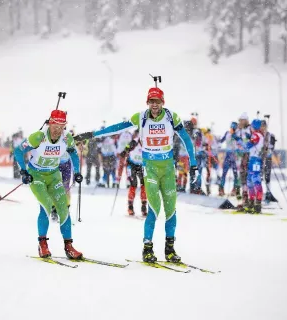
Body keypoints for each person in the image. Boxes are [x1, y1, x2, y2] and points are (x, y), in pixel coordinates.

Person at [74, 86, 197, 263]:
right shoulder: (141, 117)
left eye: (158, 101)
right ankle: (147, 248)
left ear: (163, 102)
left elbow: (186, 139)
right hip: (151, 168)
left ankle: (170, 249)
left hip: (168, 169)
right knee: (154, 208)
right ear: (147, 102)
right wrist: (92, 134)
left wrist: (193, 164)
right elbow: (117, 128)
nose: (154, 105)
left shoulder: (171, 117)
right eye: (151, 101)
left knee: (170, 210)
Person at [14, 109, 83, 259]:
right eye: (55, 126)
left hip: (53, 175)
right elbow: (18, 151)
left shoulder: (67, 138)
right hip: (36, 175)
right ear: (50, 123)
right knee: (45, 205)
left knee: (63, 208)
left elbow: (73, 153)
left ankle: (68, 246)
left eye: (61, 127)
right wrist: (23, 171)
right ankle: (42, 244)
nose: (58, 130)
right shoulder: (38, 137)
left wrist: (77, 171)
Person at [234, 120, 264, 213]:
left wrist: (238, 139)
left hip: (255, 160)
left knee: (255, 180)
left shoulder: (256, 135)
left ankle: (257, 204)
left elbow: (247, 146)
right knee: (249, 181)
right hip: (253, 159)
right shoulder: (257, 135)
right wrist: (249, 137)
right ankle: (251, 202)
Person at [119, 133, 147, 216]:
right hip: (132, 165)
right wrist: (124, 152)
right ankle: (130, 207)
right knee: (133, 184)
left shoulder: (148, 142)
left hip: (142, 166)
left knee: (144, 184)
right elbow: (127, 147)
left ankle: (144, 206)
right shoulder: (135, 141)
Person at [235, 113, 251, 210]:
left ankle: (250, 200)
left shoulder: (250, 129)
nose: (239, 122)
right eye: (239, 120)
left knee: (249, 177)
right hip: (242, 156)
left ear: (246, 120)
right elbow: (239, 143)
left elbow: (250, 144)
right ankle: (245, 199)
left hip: (250, 156)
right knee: (242, 177)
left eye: (241, 120)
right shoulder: (239, 130)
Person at [218, 122, 239, 196]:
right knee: (224, 173)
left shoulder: (237, 134)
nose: (232, 129)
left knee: (235, 174)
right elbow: (221, 140)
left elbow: (239, 142)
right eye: (232, 128)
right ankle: (221, 189)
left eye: (234, 128)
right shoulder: (228, 133)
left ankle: (234, 189)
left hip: (234, 155)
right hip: (228, 154)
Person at [260, 120, 278, 203]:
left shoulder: (270, 135)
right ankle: (259, 194)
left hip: (267, 158)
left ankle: (268, 194)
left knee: (267, 177)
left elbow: (271, 147)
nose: (262, 128)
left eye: (264, 126)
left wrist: (267, 147)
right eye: (261, 126)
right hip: (260, 159)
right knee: (259, 177)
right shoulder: (259, 135)